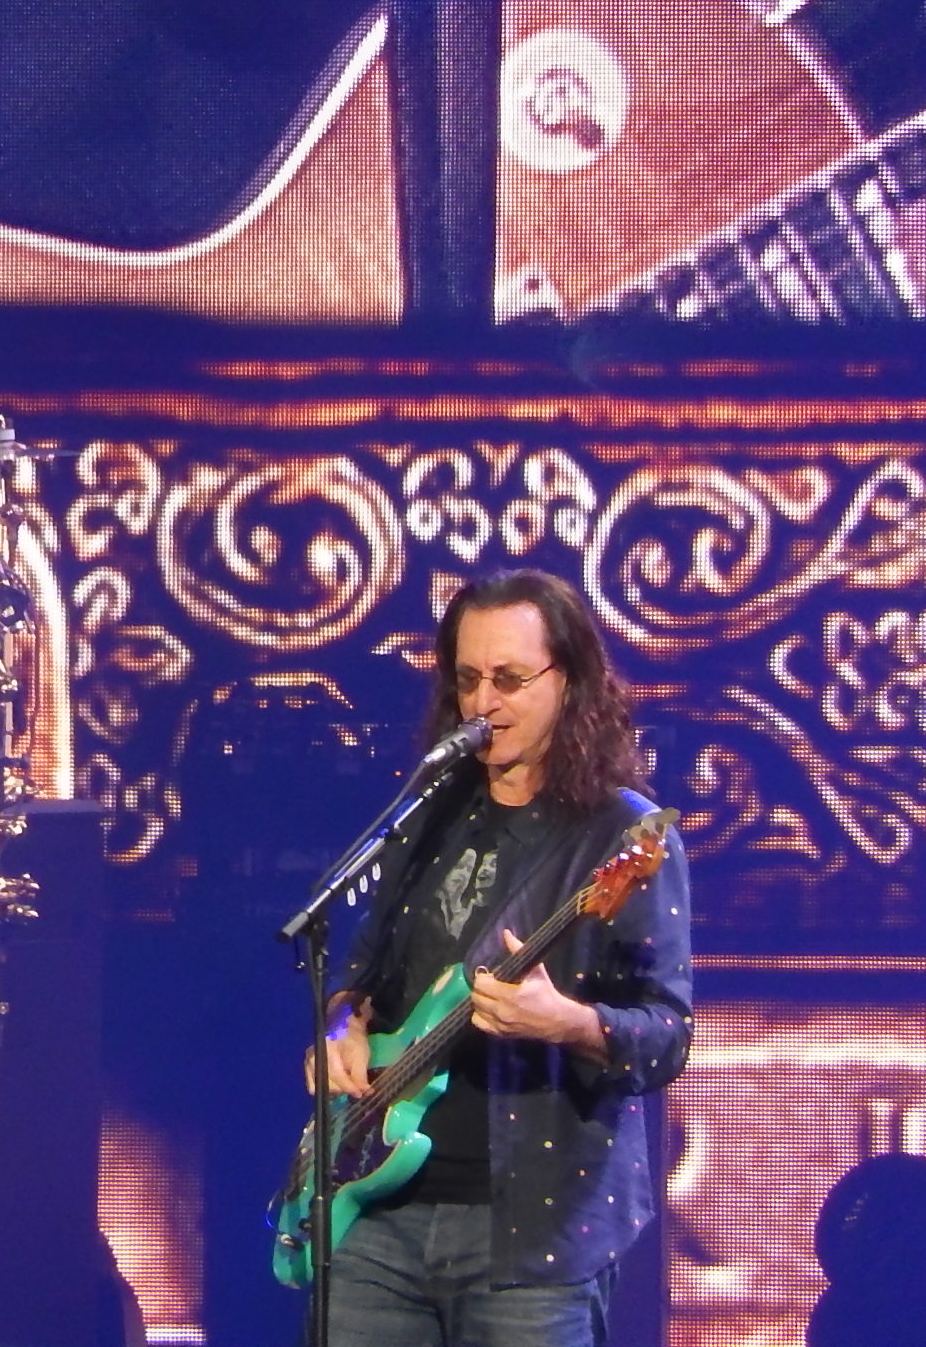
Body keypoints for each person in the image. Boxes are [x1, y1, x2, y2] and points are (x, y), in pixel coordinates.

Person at [307, 568, 691, 1347]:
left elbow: (666, 1035)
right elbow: (364, 973)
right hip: (376, 1211)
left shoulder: (622, 837)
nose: (483, 703)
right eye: (468, 680)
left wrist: (567, 1023)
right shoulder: (426, 816)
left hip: (531, 1237)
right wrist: (344, 1026)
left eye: (510, 680)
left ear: (568, 682)